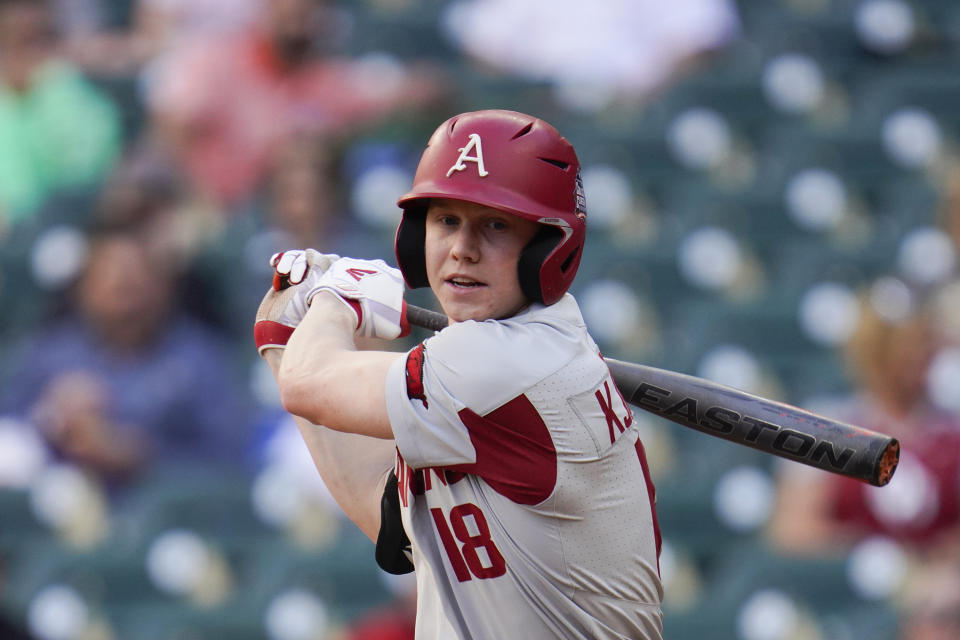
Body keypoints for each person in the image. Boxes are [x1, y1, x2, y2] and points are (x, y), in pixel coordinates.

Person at [254, 109, 663, 639]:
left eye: (495, 224)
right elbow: (399, 530)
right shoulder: (515, 357)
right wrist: (285, 338)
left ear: (547, 246)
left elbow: (309, 385)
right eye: (447, 220)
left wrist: (334, 297)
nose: (462, 249)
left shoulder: (508, 363)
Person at [0, 223, 255, 485]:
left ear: (163, 287)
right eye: (109, 279)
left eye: (133, 281)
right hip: (62, 503)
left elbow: (230, 457)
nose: (122, 292)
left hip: (167, 511)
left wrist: (138, 455)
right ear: (82, 289)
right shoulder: (52, 354)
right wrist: (49, 417)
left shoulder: (199, 358)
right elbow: (11, 431)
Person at [767, 292, 960, 556]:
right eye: (909, 345)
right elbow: (793, 530)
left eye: (926, 343)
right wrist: (891, 559)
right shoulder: (825, 426)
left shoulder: (952, 428)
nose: (921, 355)